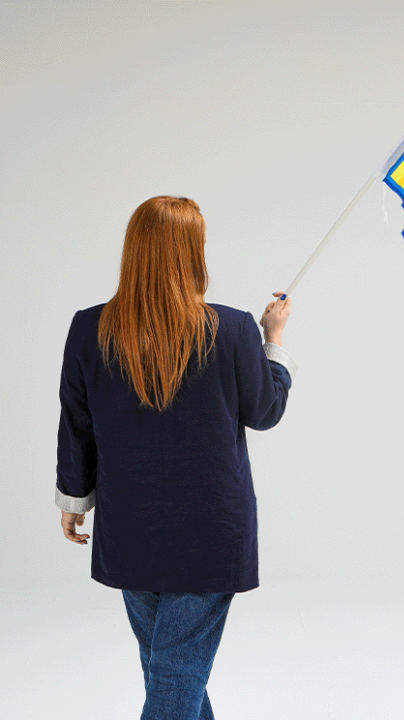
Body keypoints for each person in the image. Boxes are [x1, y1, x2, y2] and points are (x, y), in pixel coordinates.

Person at [54, 196, 296, 720]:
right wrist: (272, 340)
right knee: (174, 672)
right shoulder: (232, 329)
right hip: (211, 531)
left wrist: (75, 498)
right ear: (194, 254)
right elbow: (267, 410)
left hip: (130, 529)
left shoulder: (89, 328)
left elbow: (76, 424)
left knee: (169, 669)